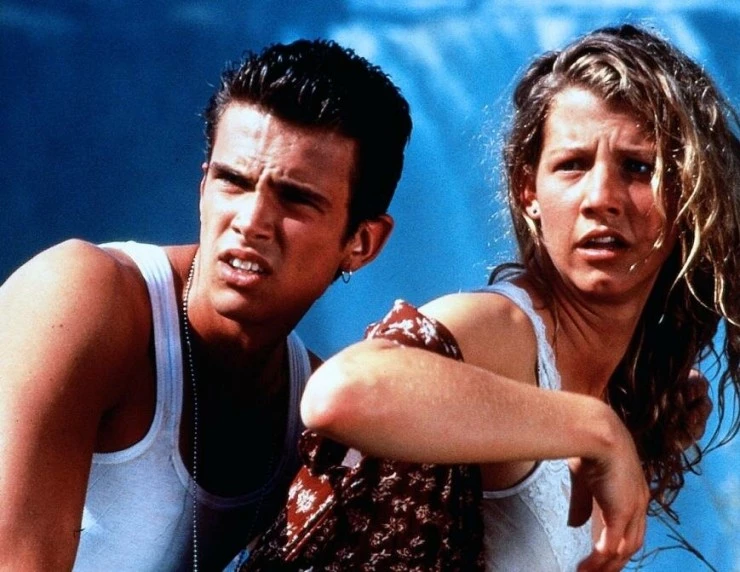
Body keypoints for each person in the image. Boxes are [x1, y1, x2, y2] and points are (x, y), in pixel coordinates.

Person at [292, 24, 739, 571]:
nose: (601, 198)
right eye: (572, 165)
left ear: (689, 196)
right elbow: (340, 393)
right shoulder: (500, 328)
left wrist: (633, 436)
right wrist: (598, 430)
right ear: (529, 192)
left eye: (639, 168)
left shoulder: (619, 391)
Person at [0, 39, 411, 570]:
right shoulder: (83, 298)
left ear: (361, 242)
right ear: (202, 189)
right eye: (232, 182)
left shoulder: (313, 414)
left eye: (295, 199)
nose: (251, 222)